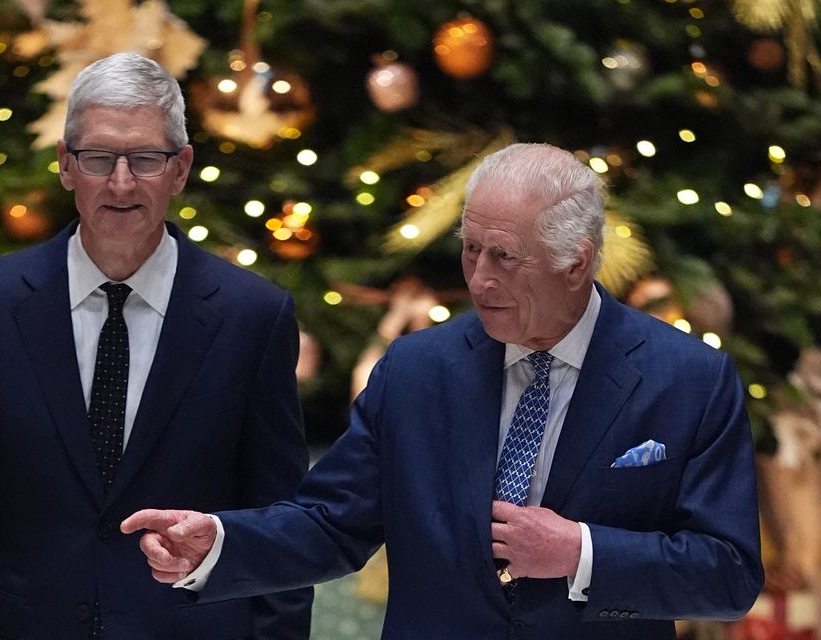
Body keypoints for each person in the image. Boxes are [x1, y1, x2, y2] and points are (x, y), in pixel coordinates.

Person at [121, 143, 764, 639]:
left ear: (577, 262)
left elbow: (727, 575)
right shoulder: (416, 370)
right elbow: (329, 523)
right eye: (470, 250)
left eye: (504, 257)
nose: (478, 279)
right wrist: (219, 542)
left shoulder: (689, 380)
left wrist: (581, 553)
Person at [0, 52, 312, 639]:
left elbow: (278, 522)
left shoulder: (252, 315)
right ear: (66, 166)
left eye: (145, 159)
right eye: (98, 159)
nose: (121, 183)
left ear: (181, 167)